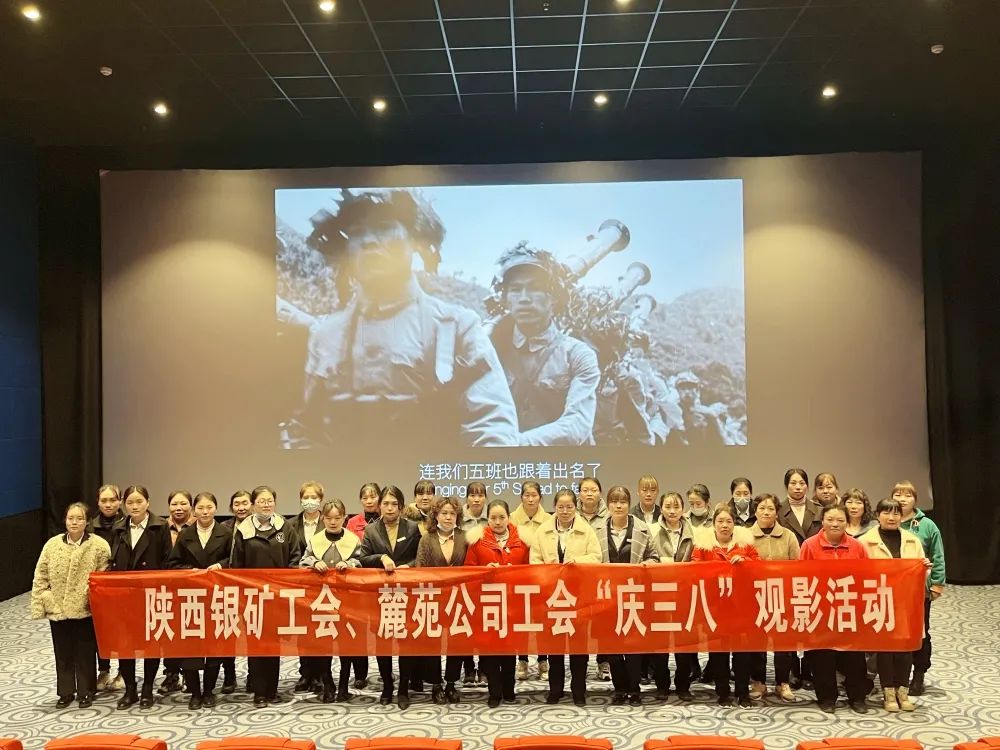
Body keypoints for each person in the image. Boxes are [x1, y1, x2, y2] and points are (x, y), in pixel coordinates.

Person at [294, 189, 520, 448]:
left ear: (414, 241)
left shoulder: (456, 326)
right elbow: (305, 429)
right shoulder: (326, 334)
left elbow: (492, 426)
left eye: (383, 227)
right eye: (356, 232)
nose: (368, 241)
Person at [490, 243, 600, 445]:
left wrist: (513, 444)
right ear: (505, 299)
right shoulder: (489, 347)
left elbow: (577, 426)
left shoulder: (577, 355)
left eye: (535, 288)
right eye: (515, 290)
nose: (524, 298)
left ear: (554, 298)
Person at [31, 502, 111, 709]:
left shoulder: (99, 545)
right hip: (57, 607)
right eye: (70, 518)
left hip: (85, 608)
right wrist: (45, 599)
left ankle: (86, 691)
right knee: (62, 652)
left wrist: (89, 598)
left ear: (87, 521)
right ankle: (65, 691)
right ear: (65, 521)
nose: (75, 522)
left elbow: (103, 576)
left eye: (80, 518)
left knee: (85, 651)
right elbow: (41, 575)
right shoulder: (52, 545)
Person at [231, 485, 302, 707]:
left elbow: (294, 558)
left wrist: (286, 587)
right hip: (252, 597)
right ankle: (259, 692)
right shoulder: (244, 530)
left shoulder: (285, 527)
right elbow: (236, 565)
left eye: (269, 500)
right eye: (261, 501)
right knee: (256, 645)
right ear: (253, 504)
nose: (266, 504)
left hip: (278, 597)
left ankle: (272, 690)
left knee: (274, 645)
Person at [530, 488, 601, 706]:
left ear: (575, 507)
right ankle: (556, 690)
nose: (565, 511)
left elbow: (596, 557)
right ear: (554, 507)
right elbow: (534, 561)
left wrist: (578, 562)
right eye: (560, 507)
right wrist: (547, 570)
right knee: (555, 648)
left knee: (579, 648)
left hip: (578, 597)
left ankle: (579, 690)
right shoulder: (543, 531)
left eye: (569, 506)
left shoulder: (586, 530)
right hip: (552, 597)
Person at [860, 497, 930, 713]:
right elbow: (860, 573)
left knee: (905, 647)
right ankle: (888, 691)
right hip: (879, 600)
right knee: (885, 648)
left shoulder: (913, 540)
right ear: (877, 515)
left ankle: (903, 691)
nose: (891, 517)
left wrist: (925, 568)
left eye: (896, 513)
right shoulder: (865, 542)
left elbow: (921, 570)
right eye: (886, 513)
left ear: (901, 516)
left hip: (906, 601)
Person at [799, 503, 870, 714]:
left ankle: (857, 697)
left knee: (854, 656)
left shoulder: (857, 546)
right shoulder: (810, 545)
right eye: (830, 519)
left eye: (840, 520)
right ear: (822, 521)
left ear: (847, 522)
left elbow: (867, 574)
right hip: (820, 608)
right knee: (822, 656)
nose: (835, 524)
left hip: (849, 607)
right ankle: (827, 697)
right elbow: (800, 575)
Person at [166, 492, 232, 710]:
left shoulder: (226, 533)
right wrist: (190, 571)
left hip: (217, 597)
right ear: (194, 510)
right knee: (190, 647)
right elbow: (173, 564)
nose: (205, 512)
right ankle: (195, 692)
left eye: (209, 507)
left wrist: (221, 566)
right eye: (201, 508)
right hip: (190, 598)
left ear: (216, 509)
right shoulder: (185, 534)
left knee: (215, 647)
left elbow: (234, 559)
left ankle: (209, 691)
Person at [109, 485, 173, 709]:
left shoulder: (160, 526)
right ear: (124, 505)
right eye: (130, 503)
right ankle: (130, 690)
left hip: (151, 594)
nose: (135, 506)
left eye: (139, 502)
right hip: (124, 596)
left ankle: (147, 689)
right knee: (125, 644)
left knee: (150, 644)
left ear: (148, 502)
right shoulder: (118, 528)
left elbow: (167, 561)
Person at [358, 484, 422, 709]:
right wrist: (381, 558)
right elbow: (363, 559)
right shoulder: (371, 530)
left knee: (406, 642)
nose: (390, 508)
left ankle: (403, 688)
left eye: (394, 504)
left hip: (406, 593)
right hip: (380, 595)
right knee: (382, 642)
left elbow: (419, 557)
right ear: (379, 506)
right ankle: (387, 685)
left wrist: (408, 566)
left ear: (401, 507)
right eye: (385, 503)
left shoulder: (412, 528)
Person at [691, 505, 759, 707]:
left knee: (742, 653)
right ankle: (723, 693)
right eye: (720, 521)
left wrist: (745, 561)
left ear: (734, 524)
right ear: (713, 524)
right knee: (718, 652)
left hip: (741, 606)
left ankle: (743, 693)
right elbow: (694, 570)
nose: (724, 525)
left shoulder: (745, 544)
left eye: (729, 521)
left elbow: (759, 565)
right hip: (715, 606)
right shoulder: (703, 546)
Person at [465, 499, 531, 707]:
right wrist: (485, 571)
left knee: (509, 650)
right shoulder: (477, 541)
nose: (498, 522)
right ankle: (494, 692)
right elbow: (468, 569)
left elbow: (531, 570)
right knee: (490, 651)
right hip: (487, 603)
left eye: (502, 517)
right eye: (493, 517)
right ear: (487, 519)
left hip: (513, 603)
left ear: (509, 518)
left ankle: (509, 689)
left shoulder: (522, 540)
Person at [598, 486, 658, 704]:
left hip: (634, 596)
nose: (618, 506)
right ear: (608, 504)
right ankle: (619, 689)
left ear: (629, 504)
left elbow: (654, 556)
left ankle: (634, 689)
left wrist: (647, 564)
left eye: (623, 501)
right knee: (613, 648)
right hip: (607, 597)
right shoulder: (597, 529)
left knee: (633, 646)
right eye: (614, 501)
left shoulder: (641, 528)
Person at [300, 498, 362, 703]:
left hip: (347, 601)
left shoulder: (353, 540)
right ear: (323, 519)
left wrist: (350, 563)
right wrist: (314, 562)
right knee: (323, 645)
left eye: (337, 518)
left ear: (344, 518)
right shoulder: (315, 540)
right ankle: (328, 684)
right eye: (329, 518)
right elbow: (302, 561)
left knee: (347, 646)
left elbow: (362, 561)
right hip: (322, 602)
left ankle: (344, 685)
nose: (333, 522)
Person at [893, 480, 945, 696]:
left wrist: (937, 585)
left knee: (920, 632)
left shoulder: (927, 525)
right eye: (898, 494)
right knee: (894, 632)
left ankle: (919, 674)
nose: (902, 499)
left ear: (915, 499)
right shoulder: (888, 520)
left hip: (918, 590)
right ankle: (894, 675)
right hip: (892, 590)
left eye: (907, 495)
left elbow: (938, 556)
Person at [415, 497, 469, 704]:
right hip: (433, 597)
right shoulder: (426, 539)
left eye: (452, 514)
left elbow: (472, 566)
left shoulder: (464, 538)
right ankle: (436, 684)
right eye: (444, 513)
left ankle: (452, 683)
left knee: (457, 642)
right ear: (436, 515)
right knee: (433, 642)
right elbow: (420, 569)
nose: (448, 517)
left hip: (458, 598)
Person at [747, 493, 799, 702]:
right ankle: (758, 682)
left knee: (783, 643)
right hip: (755, 597)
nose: (766, 512)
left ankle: (782, 682)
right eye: (762, 508)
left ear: (777, 512)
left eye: (770, 508)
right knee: (756, 642)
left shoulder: (788, 536)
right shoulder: (746, 536)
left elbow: (798, 567)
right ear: (755, 511)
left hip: (782, 596)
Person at [648, 490, 698, 694]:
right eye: (667, 506)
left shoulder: (693, 532)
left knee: (684, 642)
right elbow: (648, 556)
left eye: (676, 506)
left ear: (683, 509)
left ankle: (683, 685)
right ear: (661, 509)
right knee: (660, 642)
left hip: (685, 594)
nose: (672, 511)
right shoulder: (651, 530)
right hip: (659, 593)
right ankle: (662, 684)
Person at [286, 480, 326, 693]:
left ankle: (320, 675)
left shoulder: (328, 522)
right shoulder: (290, 524)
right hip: (300, 584)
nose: (310, 501)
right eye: (306, 497)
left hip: (324, 585)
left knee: (321, 629)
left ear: (321, 500)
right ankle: (305, 673)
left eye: (314, 497)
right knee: (303, 630)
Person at [510, 481, 551, 681]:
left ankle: (543, 660)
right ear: (521, 497)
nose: (531, 499)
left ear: (540, 497)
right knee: (521, 621)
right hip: (518, 578)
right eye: (527, 495)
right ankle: (523, 659)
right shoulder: (511, 519)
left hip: (542, 577)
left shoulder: (549, 520)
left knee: (542, 619)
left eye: (534, 495)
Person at [159, 489, 195, 695]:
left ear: (191, 506)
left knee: (190, 631)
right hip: (167, 588)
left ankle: (190, 675)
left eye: (183, 504)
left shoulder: (198, 526)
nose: (178, 508)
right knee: (169, 632)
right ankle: (171, 674)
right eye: (174, 504)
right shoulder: (161, 527)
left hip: (193, 589)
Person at [90, 484, 124, 693]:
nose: (108, 504)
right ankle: (103, 670)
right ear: (98, 502)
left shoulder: (127, 524)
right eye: (104, 500)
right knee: (99, 631)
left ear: (120, 501)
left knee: (123, 630)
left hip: (122, 586)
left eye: (113, 500)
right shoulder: (89, 527)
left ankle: (123, 671)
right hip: (99, 588)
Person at [577, 476, 611, 682]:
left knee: (602, 623)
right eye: (585, 490)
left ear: (600, 493)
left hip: (602, 577)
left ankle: (603, 661)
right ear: (579, 493)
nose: (589, 493)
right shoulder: (572, 515)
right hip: (578, 578)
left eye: (593, 490)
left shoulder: (609, 516)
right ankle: (580, 665)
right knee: (580, 622)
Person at [218, 489, 252, 693]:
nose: (241, 507)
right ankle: (229, 675)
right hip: (225, 587)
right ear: (231, 507)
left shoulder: (259, 526)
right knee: (227, 632)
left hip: (251, 588)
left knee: (252, 632)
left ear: (252, 505)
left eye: (245, 503)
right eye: (237, 504)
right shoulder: (223, 528)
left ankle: (253, 675)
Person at [459, 481, 489, 686]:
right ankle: (469, 668)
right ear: (467, 497)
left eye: (480, 495)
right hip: (465, 577)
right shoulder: (458, 518)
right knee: (466, 624)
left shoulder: (493, 516)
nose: (476, 499)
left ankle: (485, 669)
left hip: (488, 580)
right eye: (472, 495)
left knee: (486, 625)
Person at [777, 469, 821, 546]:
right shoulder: (778, 510)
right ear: (786, 486)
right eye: (793, 483)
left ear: (807, 486)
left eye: (802, 483)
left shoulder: (818, 510)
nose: (798, 487)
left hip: (812, 552)